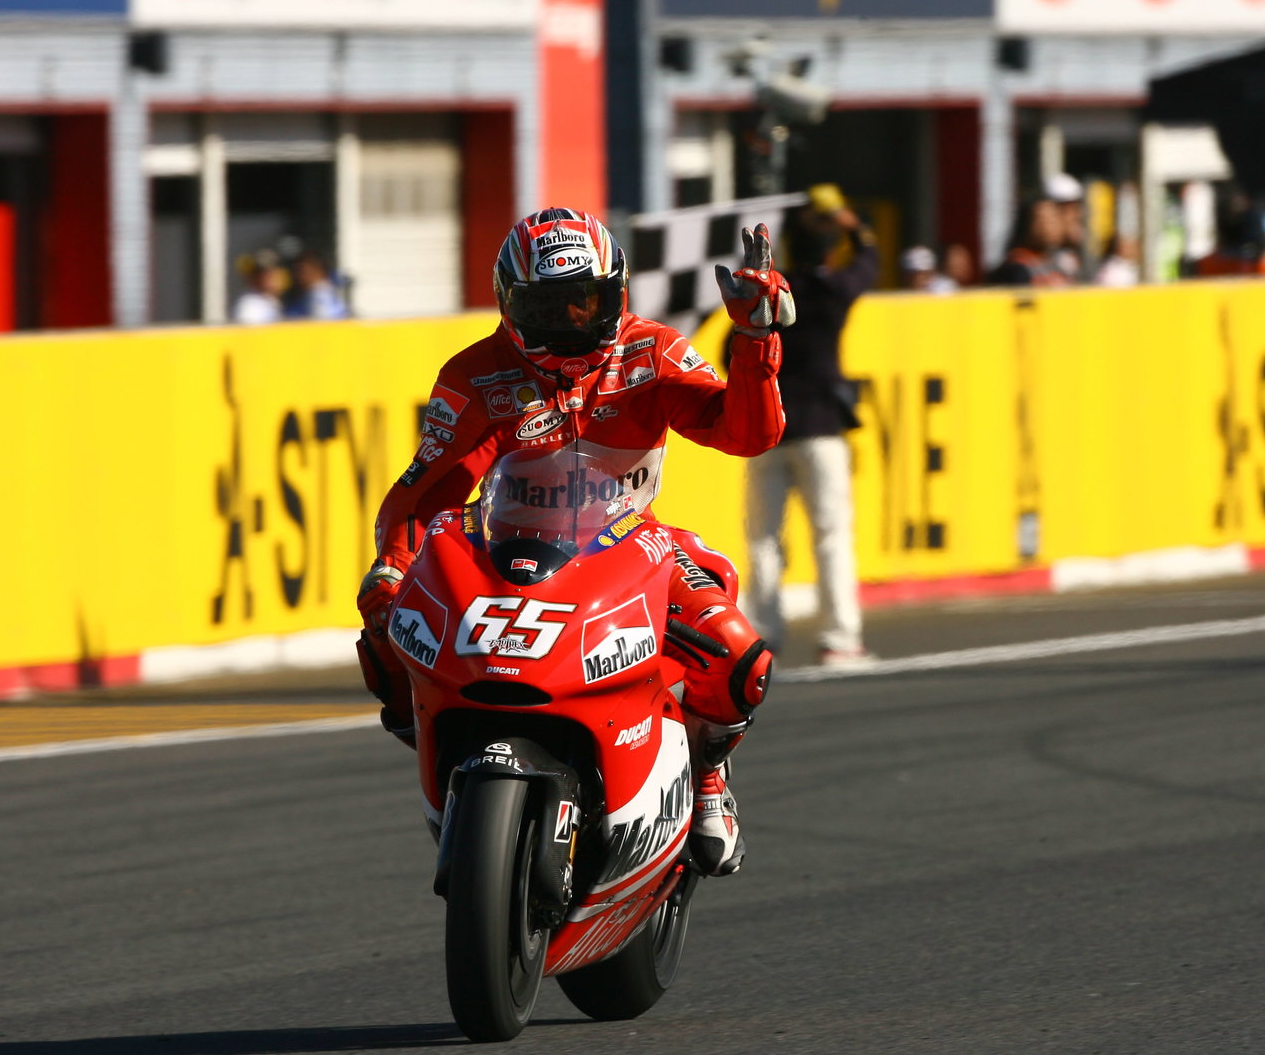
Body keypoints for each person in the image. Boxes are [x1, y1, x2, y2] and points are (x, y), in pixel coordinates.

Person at [354, 207, 794, 878]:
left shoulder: (651, 351)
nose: (570, 323)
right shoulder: (476, 374)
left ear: (617, 293)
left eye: (586, 302)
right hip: (503, 553)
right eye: (548, 307)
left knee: (741, 660)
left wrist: (755, 340)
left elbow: (747, 434)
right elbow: (427, 491)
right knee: (383, 614)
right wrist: (392, 569)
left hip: (630, 545)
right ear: (510, 305)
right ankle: (443, 742)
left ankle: (707, 773)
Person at [739, 184, 877, 667]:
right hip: (821, 429)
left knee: (763, 539)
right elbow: (869, 264)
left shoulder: (771, 297)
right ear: (829, 252)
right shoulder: (834, 290)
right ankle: (840, 638)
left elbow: (731, 354)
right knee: (832, 537)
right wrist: (857, 230)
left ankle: (762, 636)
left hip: (770, 429)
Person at [984, 197, 1067, 287]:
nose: (1050, 226)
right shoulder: (1018, 267)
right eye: (1044, 220)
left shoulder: (1059, 262)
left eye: (1054, 219)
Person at [1044, 173, 1087, 282]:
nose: (1078, 215)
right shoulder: (1032, 260)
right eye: (1072, 209)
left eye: (1078, 207)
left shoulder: (1073, 255)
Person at [284, 251, 350, 320]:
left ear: (319, 269)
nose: (300, 276)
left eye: (304, 270)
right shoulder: (301, 301)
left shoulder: (336, 290)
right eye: (298, 271)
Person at [232, 250, 286, 324]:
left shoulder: (271, 299)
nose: (271, 278)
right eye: (264, 274)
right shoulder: (250, 305)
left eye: (273, 272)